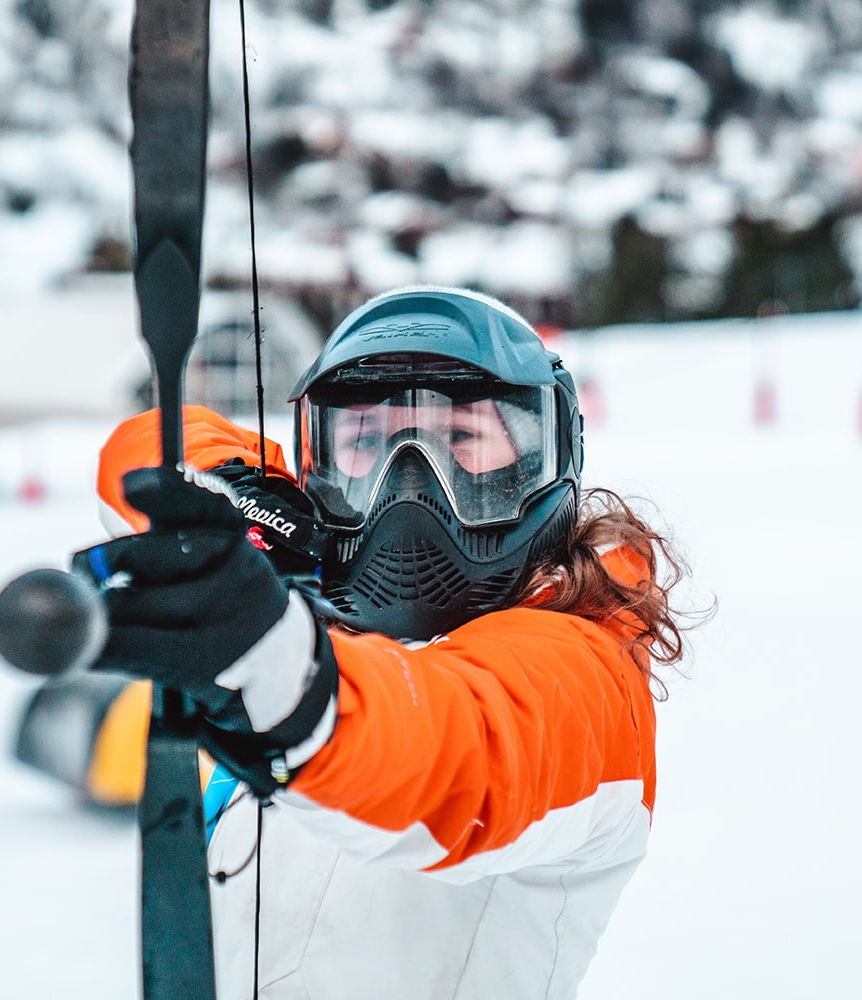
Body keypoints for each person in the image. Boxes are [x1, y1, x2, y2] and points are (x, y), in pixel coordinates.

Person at [89, 285, 690, 999]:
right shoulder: (318, 609)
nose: (409, 484)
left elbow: (455, 748)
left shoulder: (587, 670)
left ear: (540, 461)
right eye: (366, 442)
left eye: (460, 438)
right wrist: (242, 500)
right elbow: (146, 450)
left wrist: (288, 676)